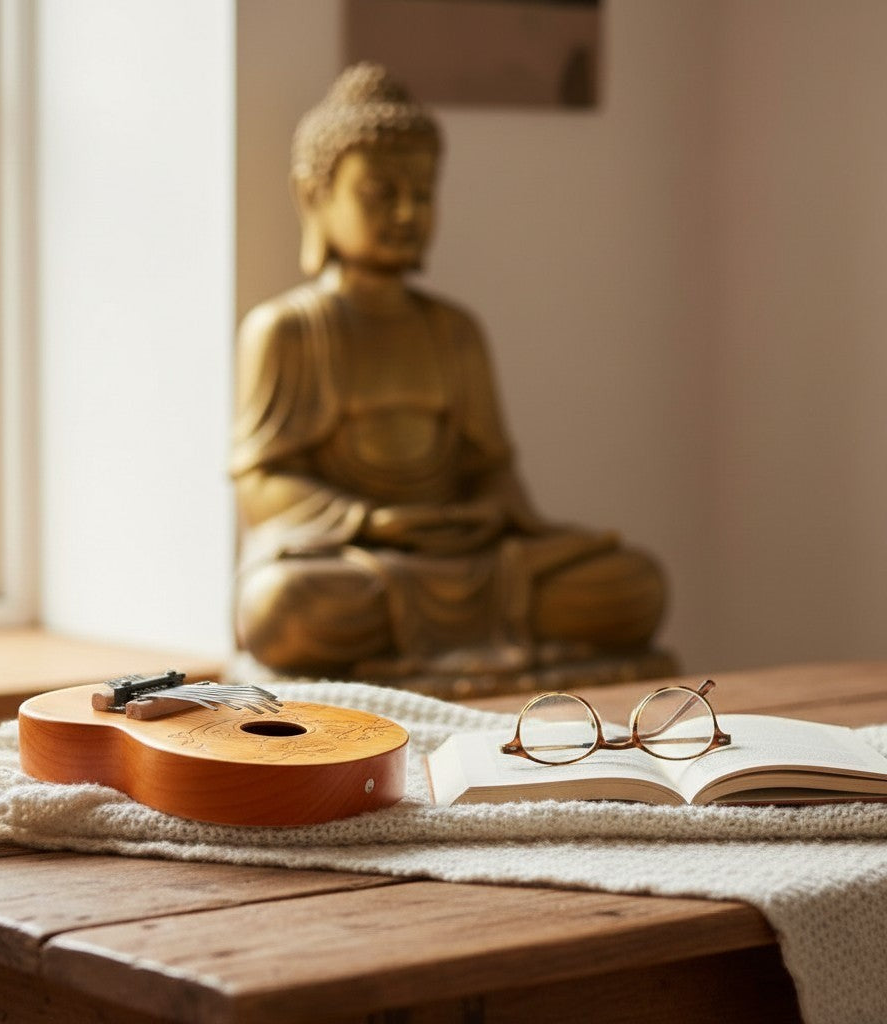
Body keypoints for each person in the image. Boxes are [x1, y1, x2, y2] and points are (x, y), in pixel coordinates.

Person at [231, 62, 665, 678]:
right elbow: (261, 485)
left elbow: (491, 468)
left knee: (634, 585)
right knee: (283, 610)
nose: (408, 213)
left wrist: (483, 513)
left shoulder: (454, 330)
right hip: (357, 563)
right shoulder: (288, 331)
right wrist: (371, 521)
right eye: (382, 194)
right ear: (314, 197)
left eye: (423, 194)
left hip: (472, 561)